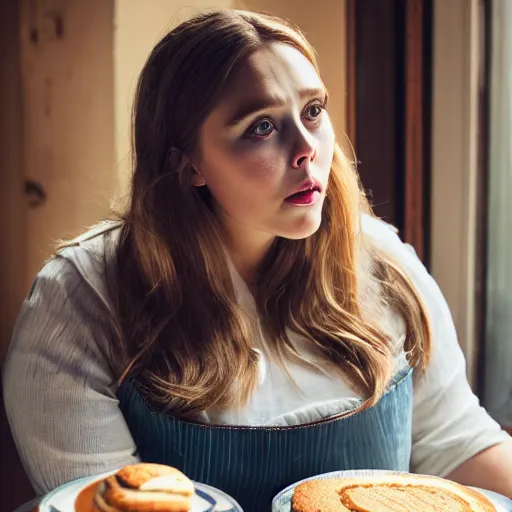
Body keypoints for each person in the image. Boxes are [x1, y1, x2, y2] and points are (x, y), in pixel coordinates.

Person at [3, 9, 512, 511]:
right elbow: (107, 503)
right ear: (188, 164)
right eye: (261, 126)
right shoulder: (81, 298)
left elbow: (460, 447)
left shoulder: (384, 265)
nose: (306, 149)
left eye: (313, 110)